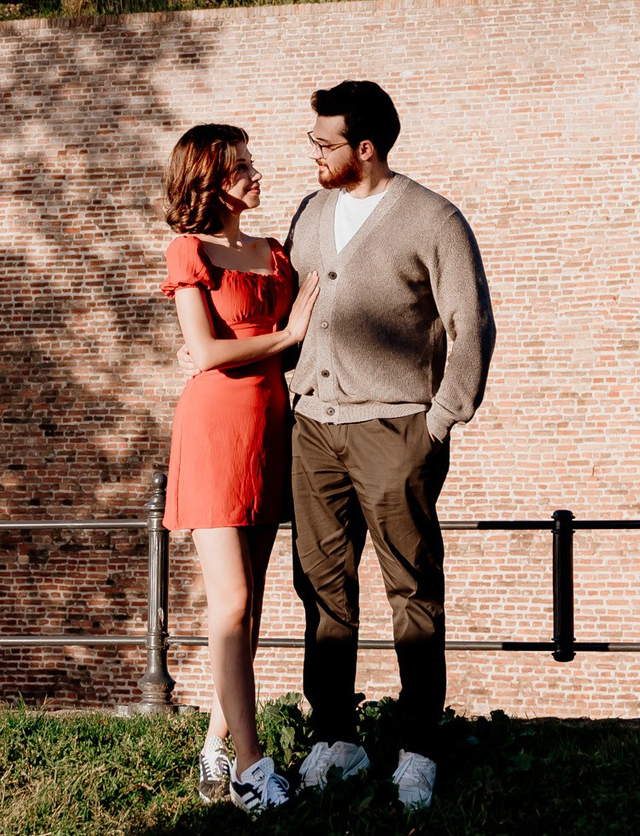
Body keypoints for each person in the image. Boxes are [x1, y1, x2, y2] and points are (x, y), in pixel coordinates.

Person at [282, 80, 494, 812]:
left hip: (394, 431)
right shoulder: (309, 212)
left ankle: (418, 747)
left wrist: (434, 424)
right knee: (320, 587)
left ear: (364, 148)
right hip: (312, 429)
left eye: (324, 142)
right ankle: (334, 734)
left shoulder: (432, 218)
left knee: (412, 592)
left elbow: (471, 325)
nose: (312, 152)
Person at [160, 123, 321, 813]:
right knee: (229, 603)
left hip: (270, 429)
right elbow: (203, 352)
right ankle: (252, 769)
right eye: (243, 167)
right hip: (215, 427)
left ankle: (215, 743)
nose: (257, 173)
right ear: (211, 180)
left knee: (250, 606)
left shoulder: (273, 252)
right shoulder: (188, 249)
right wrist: (287, 336)